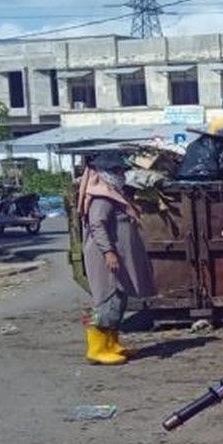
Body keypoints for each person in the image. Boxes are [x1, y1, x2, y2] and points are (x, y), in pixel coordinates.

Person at [77, 151, 156, 365]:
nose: (121, 174)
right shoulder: (101, 197)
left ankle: (111, 343)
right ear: (105, 174)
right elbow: (97, 225)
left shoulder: (112, 194)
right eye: (117, 171)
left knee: (118, 299)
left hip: (115, 256)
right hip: (106, 257)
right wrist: (109, 252)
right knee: (107, 300)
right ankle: (97, 348)